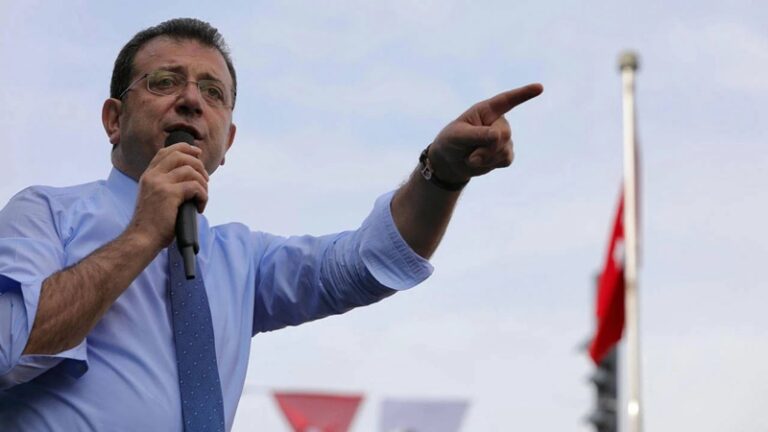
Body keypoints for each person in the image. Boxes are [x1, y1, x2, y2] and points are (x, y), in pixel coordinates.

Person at [0, 18, 542, 431]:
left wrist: (441, 175)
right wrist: (143, 234)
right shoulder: (45, 215)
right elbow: (7, 351)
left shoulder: (243, 260)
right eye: (165, 81)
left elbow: (368, 261)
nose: (191, 100)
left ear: (228, 141)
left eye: (214, 93)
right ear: (114, 119)